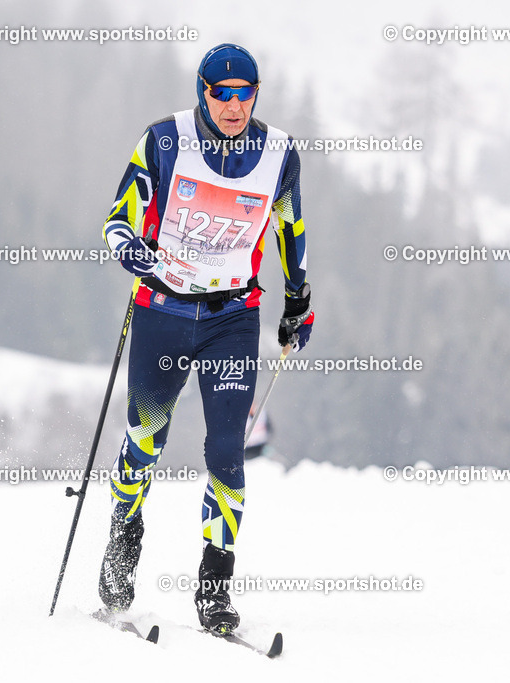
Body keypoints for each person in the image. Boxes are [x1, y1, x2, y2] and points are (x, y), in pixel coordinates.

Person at [97, 43, 313, 635]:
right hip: (163, 310)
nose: (235, 105)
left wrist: (298, 300)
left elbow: (290, 226)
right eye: (224, 94)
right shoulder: (164, 141)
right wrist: (132, 251)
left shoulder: (279, 154)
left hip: (231, 319)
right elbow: (120, 215)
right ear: (204, 93)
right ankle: (122, 547)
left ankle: (214, 591)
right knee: (147, 440)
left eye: (246, 94)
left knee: (226, 449)